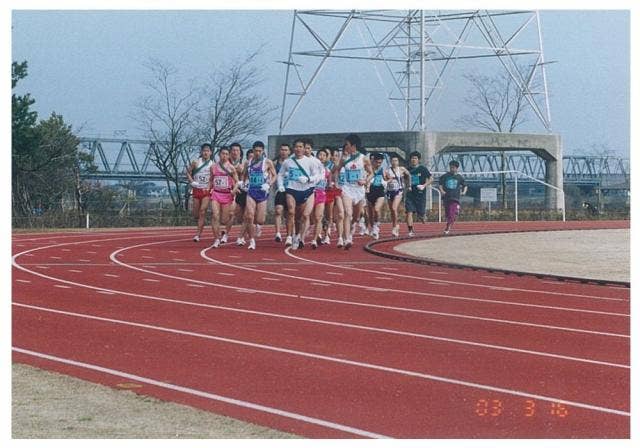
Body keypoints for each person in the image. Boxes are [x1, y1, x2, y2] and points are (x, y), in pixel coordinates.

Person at [277, 138, 324, 250]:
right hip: (291, 189)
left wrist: (308, 179)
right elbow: (280, 174)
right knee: (291, 211)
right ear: (293, 148)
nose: (298, 149)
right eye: (296, 147)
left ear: (304, 149)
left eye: (301, 147)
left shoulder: (310, 161)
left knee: (302, 216)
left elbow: (318, 176)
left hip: (305, 190)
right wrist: (280, 186)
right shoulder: (288, 162)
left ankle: (298, 236)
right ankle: (288, 236)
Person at [333, 134, 373, 249]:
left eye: (347, 144)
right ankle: (347, 239)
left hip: (359, 190)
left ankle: (351, 229)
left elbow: (371, 173)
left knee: (355, 217)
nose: (346, 147)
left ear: (354, 146)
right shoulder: (344, 158)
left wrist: (365, 181)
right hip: (347, 189)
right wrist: (336, 183)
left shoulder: (364, 158)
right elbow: (337, 170)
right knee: (348, 213)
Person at [243, 141, 276, 250]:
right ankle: (252, 240)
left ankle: (258, 226)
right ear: (252, 151)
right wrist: (244, 183)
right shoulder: (248, 163)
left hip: (262, 192)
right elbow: (245, 175)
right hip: (251, 191)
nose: (257, 153)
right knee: (249, 216)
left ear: (263, 151)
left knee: (260, 219)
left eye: (260, 151)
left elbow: (274, 175)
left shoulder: (268, 162)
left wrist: (269, 184)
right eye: (256, 151)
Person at [209, 147, 240, 248]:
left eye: (227, 154)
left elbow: (237, 182)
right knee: (215, 215)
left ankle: (225, 231)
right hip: (216, 194)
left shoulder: (231, 168)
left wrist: (234, 190)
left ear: (229, 155)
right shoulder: (213, 167)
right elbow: (211, 179)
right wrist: (209, 188)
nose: (225, 156)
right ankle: (216, 239)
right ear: (219, 154)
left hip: (227, 195)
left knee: (224, 219)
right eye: (223, 153)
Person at [186, 143, 214, 242]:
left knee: (202, 212)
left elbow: (213, 177)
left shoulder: (213, 165)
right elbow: (187, 172)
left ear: (210, 152)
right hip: (196, 190)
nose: (206, 153)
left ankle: (198, 234)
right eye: (204, 151)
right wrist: (192, 182)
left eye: (207, 151)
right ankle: (201, 222)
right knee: (196, 214)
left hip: (206, 190)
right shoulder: (196, 162)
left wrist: (210, 187)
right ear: (201, 152)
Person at [404, 151, 432, 237]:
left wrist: (424, 185)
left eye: (415, 158)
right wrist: (407, 186)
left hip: (420, 194)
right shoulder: (407, 170)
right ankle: (410, 230)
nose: (413, 160)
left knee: (421, 214)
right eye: (412, 158)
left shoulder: (423, 169)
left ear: (418, 160)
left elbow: (431, 179)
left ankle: (422, 216)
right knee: (409, 212)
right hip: (410, 194)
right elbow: (404, 179)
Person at [221, 142, 243, 244]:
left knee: (243, 216)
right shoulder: (225, 164)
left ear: (240, 152)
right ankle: (226, 234)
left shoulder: (243, 164)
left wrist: (239, 186)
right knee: (231, 214)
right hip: (229, 191)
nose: (235, 152)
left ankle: (242, 236)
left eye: (237, 150)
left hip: (241, 191)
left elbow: (244, 179)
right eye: (233, 150)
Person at [310, 148, 332, 249]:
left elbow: (329, 184)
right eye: (320, 155)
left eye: (324, 155)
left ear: (326, 158)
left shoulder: (327, 170)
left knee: (319, 216)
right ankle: (316, 233)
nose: (321, 157)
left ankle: (315, 238)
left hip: (321, 194)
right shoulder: (312, 167)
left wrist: (330, 186)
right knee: (311, 217)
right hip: (311, 194)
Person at [385, 154, 411, 237]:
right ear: (390, 162)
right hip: (389, 192)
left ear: (398, 162)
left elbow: (409, 175)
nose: (394, 162)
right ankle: (395, 225)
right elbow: (385, 180)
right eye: (392, 161)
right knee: (392, 211)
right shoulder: (387, 170)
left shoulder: (401, 169)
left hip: (398, 191)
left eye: (396, 160)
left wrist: (409, 185)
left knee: (394, 208)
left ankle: (395, 227)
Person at [439, 160, 467, 235]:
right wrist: (442, 191)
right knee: (448, 214)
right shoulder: (445, 176)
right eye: (451, 167)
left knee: (451, 213)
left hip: (455, 198)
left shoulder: (459, 177)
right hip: (446, 197)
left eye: (453, 168)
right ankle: (453, 216)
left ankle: (447, 227)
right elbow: (440, 184)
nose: (452, 169)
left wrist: (464, 192)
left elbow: (465, 185)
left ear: (457, 168)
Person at [325, 147, 345, 246]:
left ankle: (340, 238)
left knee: (341, 214)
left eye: (337, 156)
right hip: (331, 191)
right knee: (330, 216)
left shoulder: (345, 166)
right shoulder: (330, 166)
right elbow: (330, 174)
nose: (335, 157)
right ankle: (327, 235)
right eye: (333, 156)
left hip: (341, 192)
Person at [365, 152, 387, 239]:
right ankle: (372, 227)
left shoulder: (382, 170)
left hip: (380, 192)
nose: (378, 164)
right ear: (372, 161)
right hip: (370, 193)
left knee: (377, 209)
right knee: (370, 213)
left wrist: (387, 180)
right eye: (377, 162)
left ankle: (376, 227)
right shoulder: (368, 170)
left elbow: (387, 178)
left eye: (380, 163)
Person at [273, 143, 292, 242]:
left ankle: (289, 235)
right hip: (280, 190)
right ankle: (278, 233)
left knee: (289, 213)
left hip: (291, 190)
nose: (283, 152)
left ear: (289, 152)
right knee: (278, 210)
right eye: (282, 149)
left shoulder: (292, 162)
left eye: (286, 150)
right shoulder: (274, 163)